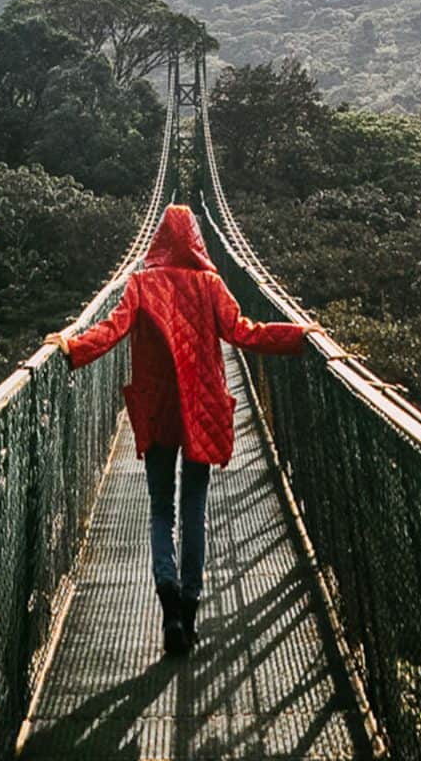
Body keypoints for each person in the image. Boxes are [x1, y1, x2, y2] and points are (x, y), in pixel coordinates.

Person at [46, 203, 317, 657]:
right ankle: (190, 606)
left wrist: (73, 347)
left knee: (159, 509)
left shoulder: (140, 283)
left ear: (158, 240)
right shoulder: (210, 284)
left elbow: (112, 330)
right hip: (201, 409)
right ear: (195, 239)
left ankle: (167, 592)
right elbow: (243, 331)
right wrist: (297, 335)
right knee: (195, 507)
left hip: (158, 410)